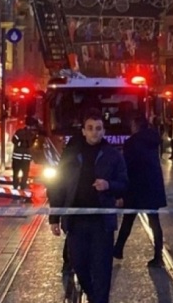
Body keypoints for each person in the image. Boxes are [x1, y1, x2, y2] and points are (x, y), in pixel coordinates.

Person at [49, 110, 128, 303]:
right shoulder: (72, 154)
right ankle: (93, 296)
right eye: (90, 128)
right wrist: (54, 216)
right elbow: (58, 185)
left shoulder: (113, 155)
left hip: (102, 223)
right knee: (79, 264)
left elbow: (125, 184)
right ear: (83, 131)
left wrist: (109, 185)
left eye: (99, 128)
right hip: (76, 221)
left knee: (102, 269)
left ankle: (99, 300)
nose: (95, 132)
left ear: (104, 131)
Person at [114, 115, 168, 267]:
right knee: (154, 222)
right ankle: (158, 255)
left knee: (128, 219)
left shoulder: (132, 142)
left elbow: (127, 166)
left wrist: (121, 189)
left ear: (136, 125)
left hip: (136, 187)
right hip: (152, 187)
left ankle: (118, 249)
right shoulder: (153, 140)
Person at [12, 117, 38, 189]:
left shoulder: (20, 132)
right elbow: (14, 140)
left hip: (19, 158)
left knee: (17, 173)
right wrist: (23, 144)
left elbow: (14, 140)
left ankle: (16, 186)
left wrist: (20, 144)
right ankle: (21, 186)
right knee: (24, 173)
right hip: (23, 158)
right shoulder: (30, 134)